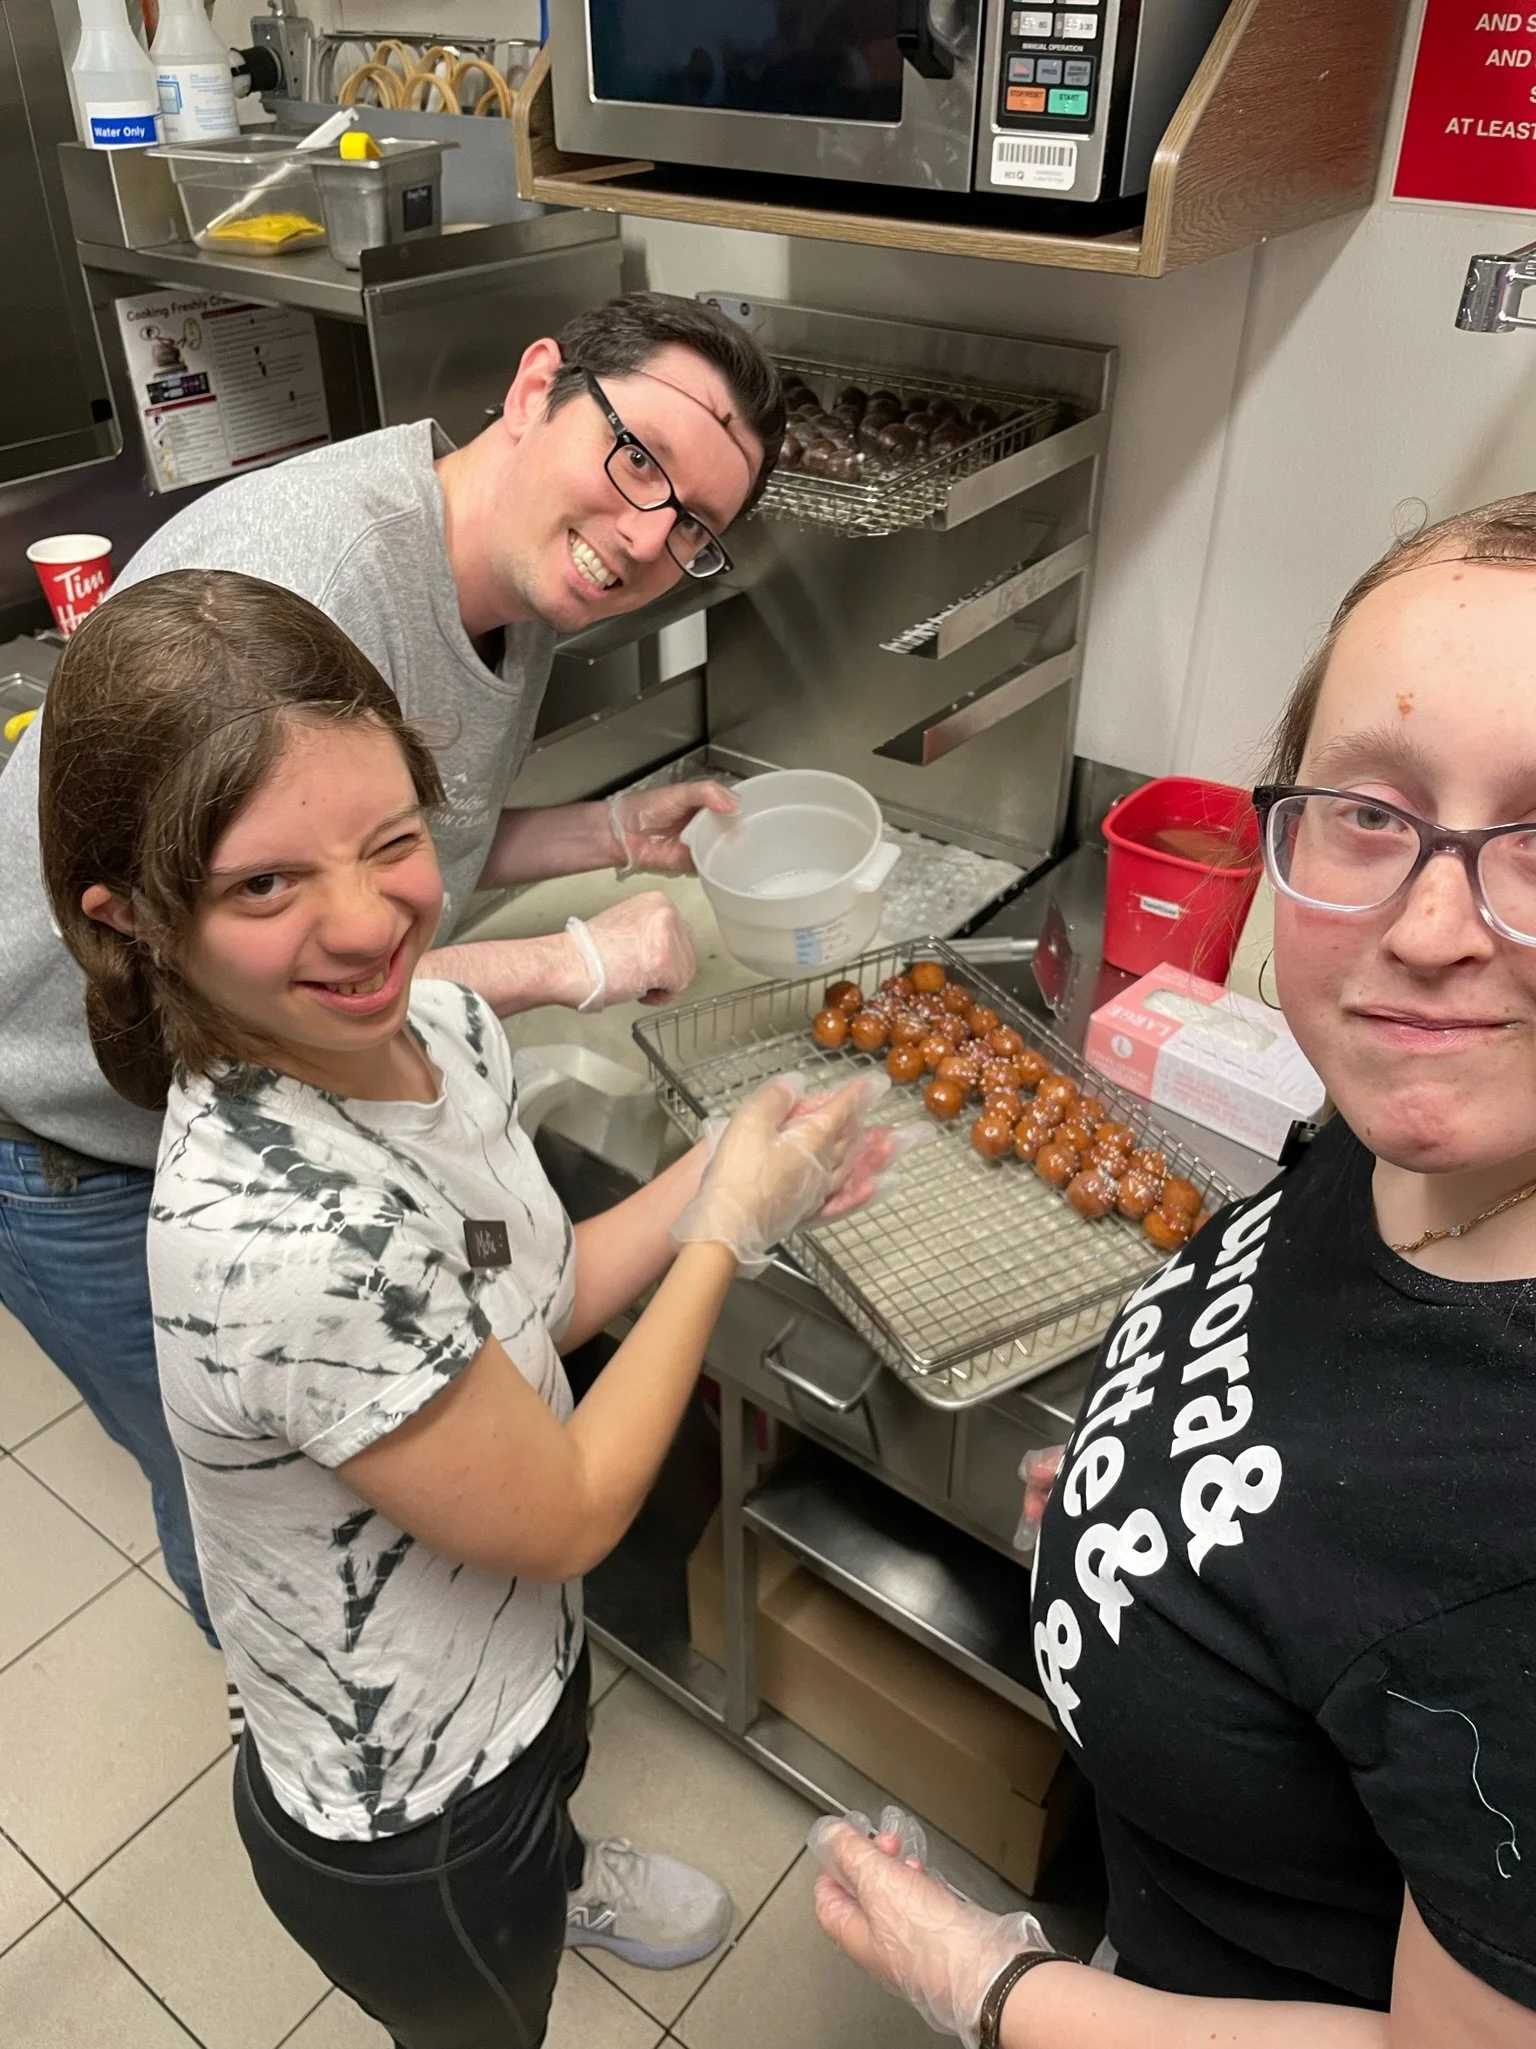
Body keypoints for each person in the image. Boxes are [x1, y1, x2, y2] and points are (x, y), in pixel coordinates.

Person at [37, 568, 903, 2046]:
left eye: (391, 843)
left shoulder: (416, 1020)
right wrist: (724, 1243)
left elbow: (538, 1304)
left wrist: (713, 1180)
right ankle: (515, 1924)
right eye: (265, 884)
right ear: (135, 918)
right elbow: (567, 1505)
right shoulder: (282, 1235)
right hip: (413, 1814)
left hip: (508, 1666)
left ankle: (558, 1871)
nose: (368, 923)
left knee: (543, 1781)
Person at [809, 496, 1536, 2047]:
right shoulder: (1409, 1126)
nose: (1428, 928)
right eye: (1368, 811)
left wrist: (987, 1987)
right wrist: (1136, 1495)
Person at [0, 290, 784, 1636]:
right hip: (84, 1120)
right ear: (537, 381)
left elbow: (392, 840)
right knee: (277, 1547)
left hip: (250, 1078)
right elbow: (272, 963)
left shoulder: (516, 570)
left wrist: (604, 831)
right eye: (641, 458)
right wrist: (571, 965)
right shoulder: (314, 587)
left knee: (389, 1497)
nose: (651, 536)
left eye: (697, 523)